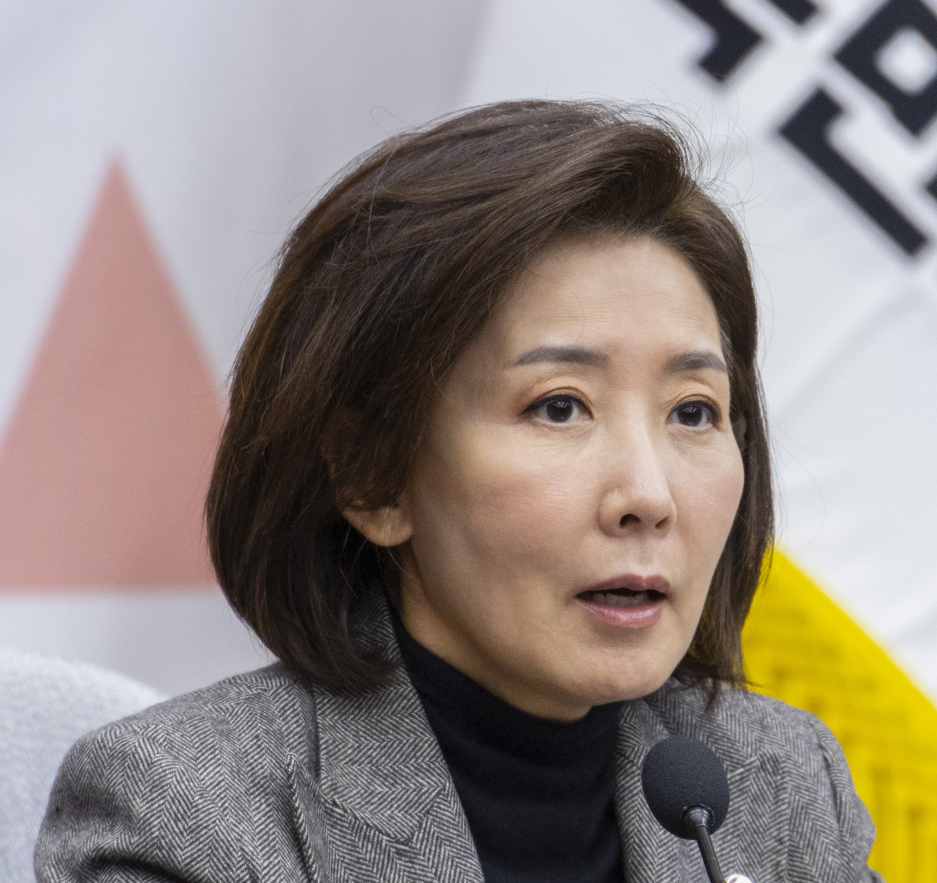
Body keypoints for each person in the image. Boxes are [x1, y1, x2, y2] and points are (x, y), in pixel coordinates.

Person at [35, 100, 881, 883]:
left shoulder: (777, 784)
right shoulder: (187, 814)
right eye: (559, 406)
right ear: (373, 475)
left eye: (694, 411)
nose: (648, 495)